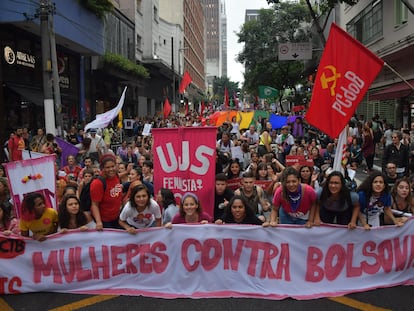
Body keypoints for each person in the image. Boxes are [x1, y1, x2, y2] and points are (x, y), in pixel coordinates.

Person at [90, 154, 123, 230]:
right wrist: (98, 222)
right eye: (107, 167)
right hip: (104, 221)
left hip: (116, 217)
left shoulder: (116, 176)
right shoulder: (97, 183)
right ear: (102, 168)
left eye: (113, 166)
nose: (111, 169)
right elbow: (94, 205)